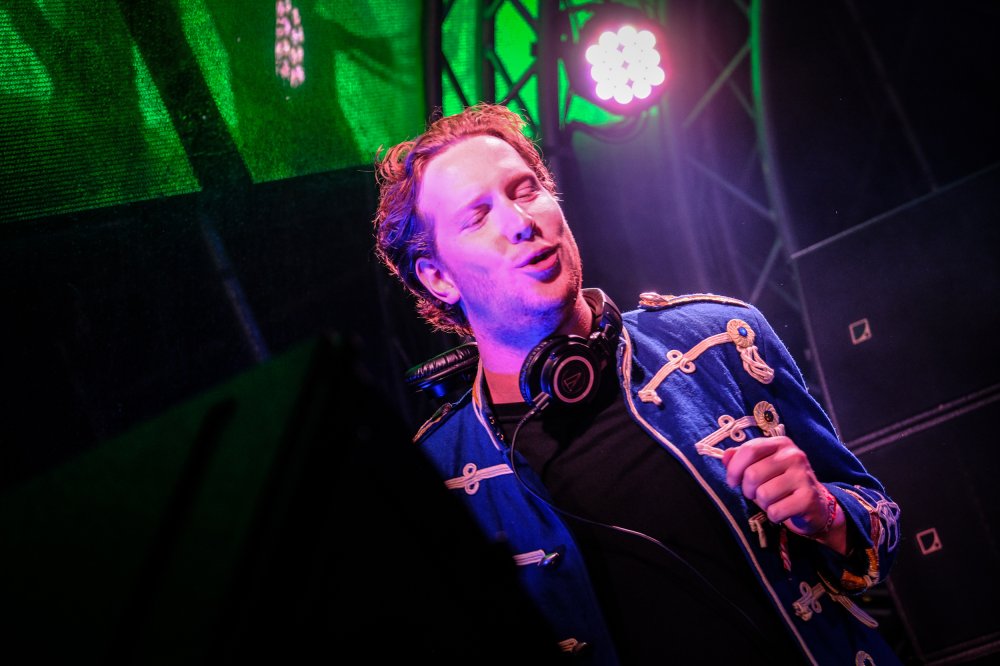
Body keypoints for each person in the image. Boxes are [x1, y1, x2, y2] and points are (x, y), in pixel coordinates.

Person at [372, 102, 901, 665]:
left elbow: (881, 524)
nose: (520, 221)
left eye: (526, 190)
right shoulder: (437, 478)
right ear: (437, 277)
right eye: (477, 216)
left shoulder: (723, 337)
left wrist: (827, 514)